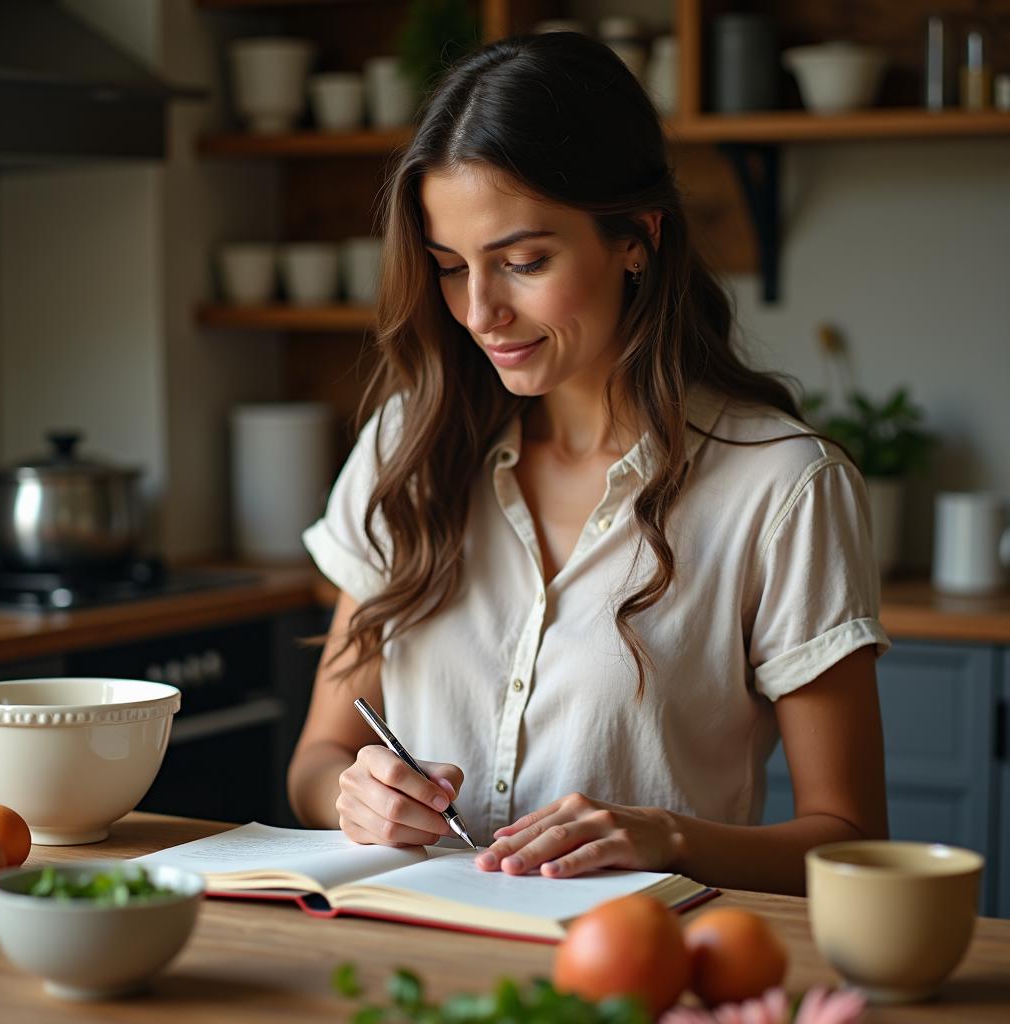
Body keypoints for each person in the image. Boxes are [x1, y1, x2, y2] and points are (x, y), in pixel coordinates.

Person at [287, 31, 889, 896]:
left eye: (524, 261)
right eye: (451, 268)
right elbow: (319, 757)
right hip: (412, 961)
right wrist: (356, 797)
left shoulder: (784, 487)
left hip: (636, 971)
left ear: (635, 238)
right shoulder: (405, 448)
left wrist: (666, 836)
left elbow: (855, 844)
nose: (481, 312)